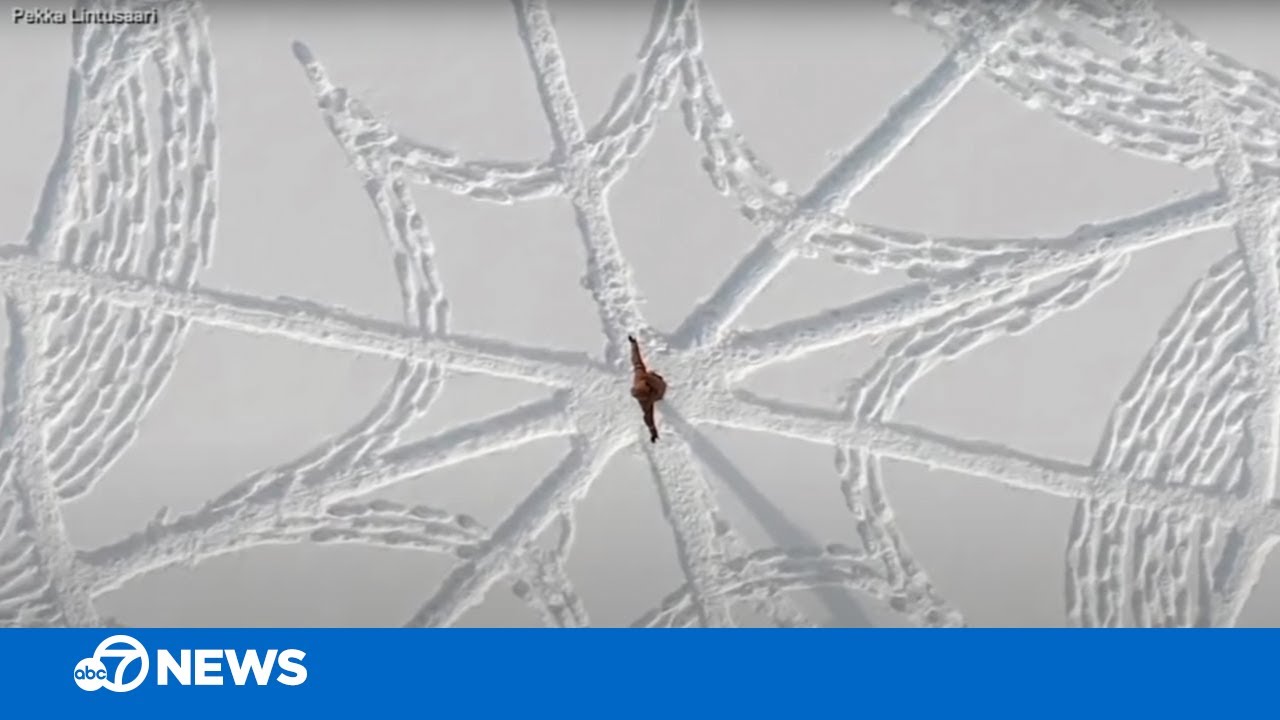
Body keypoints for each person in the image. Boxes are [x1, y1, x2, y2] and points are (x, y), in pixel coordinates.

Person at [628, 335, 667, 443]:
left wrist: (633, 344)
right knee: (657, 384)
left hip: (656, 385)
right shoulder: (645, 402)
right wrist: (653, 432)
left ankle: (656, 379)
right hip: (659, 390)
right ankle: (658, 382)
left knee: (650, 376)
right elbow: (648, 419)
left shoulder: (640, 376)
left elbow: (636, 360)